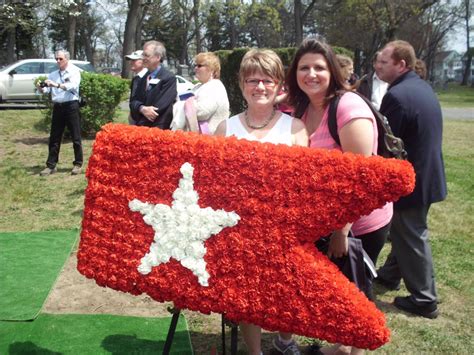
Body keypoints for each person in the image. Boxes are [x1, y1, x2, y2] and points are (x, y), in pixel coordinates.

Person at [286, 37, 393, 355]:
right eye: (304, 68)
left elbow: (362, 178)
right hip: (327, 221)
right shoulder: (304, 107)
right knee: (336, 295)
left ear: (332, 70)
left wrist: (341, 230)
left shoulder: (348, 107)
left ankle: (349, 349)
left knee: (354, 296)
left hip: (358, 223)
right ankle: (339, 348)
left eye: (319, 67)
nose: (311, 74)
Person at [215, 49, 308, 355]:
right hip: (238, 228)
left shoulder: (295, 129)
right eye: (252, 80)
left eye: (267, 80)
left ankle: (284, 341)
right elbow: (215, 183)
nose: (260, 87)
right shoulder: (225, 129)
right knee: (247, 294)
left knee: (285, 291)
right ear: (241, 84)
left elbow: (301, 185)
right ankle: (254, 351)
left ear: (279, 84)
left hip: (282, 227)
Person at [375, 40, 447, 319]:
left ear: (400, 65)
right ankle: (390, 275)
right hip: (426, 174)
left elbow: (387, 143)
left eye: (383, 62)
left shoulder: (398, 96)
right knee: (404, 232)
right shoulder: (419, 87)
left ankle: (425, 299)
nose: (377, 66)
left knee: (411, 234)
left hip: (413, 178)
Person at [37, 50, 83, 176]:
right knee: (54, 137)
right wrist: (41, 88)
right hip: (58, 107)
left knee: (76, 136)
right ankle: (51, 165)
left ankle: (78, 164)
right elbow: (45, 91)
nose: (58, 61)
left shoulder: (74, 72)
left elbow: (72, 86)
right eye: (56, 59)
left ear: (67, 59)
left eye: (60, 59)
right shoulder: (53, 74)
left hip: (71, 106)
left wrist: (56, 85)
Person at [129, 40, 177, 128]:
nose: (143, 58)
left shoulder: (168, 78)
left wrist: (143, 113)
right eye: (143, 55)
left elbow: (159, 108)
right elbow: (133, 102)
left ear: (158, 57)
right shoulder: (142, 78)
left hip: (158, 129)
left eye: (146, 55)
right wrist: (141, 108)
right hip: (141, 127)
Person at [186, 52, 229, 134]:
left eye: (199, 66)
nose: (195, 68)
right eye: (195, 65)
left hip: (211, 141)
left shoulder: (215, 86)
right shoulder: (198, 86)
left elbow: (202, 112)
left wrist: (186, 103)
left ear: (211, 69)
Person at [125, 50, 147, 125]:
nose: (131, 62)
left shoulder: (148, 77)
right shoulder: (135, 79)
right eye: (131, 60)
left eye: (134, 60)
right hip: (134, 118)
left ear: (143, 61)